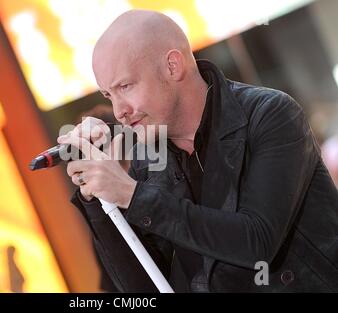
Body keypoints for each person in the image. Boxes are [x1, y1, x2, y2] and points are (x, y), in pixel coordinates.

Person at [57, 10, 338, 292]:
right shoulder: (149, 161)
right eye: (109, 95)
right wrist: (98, 200)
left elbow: (256, 241)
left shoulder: (269, 113)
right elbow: (144, 288)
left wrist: (132, 194)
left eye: (126, 86)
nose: (119, 111)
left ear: (172, 66)